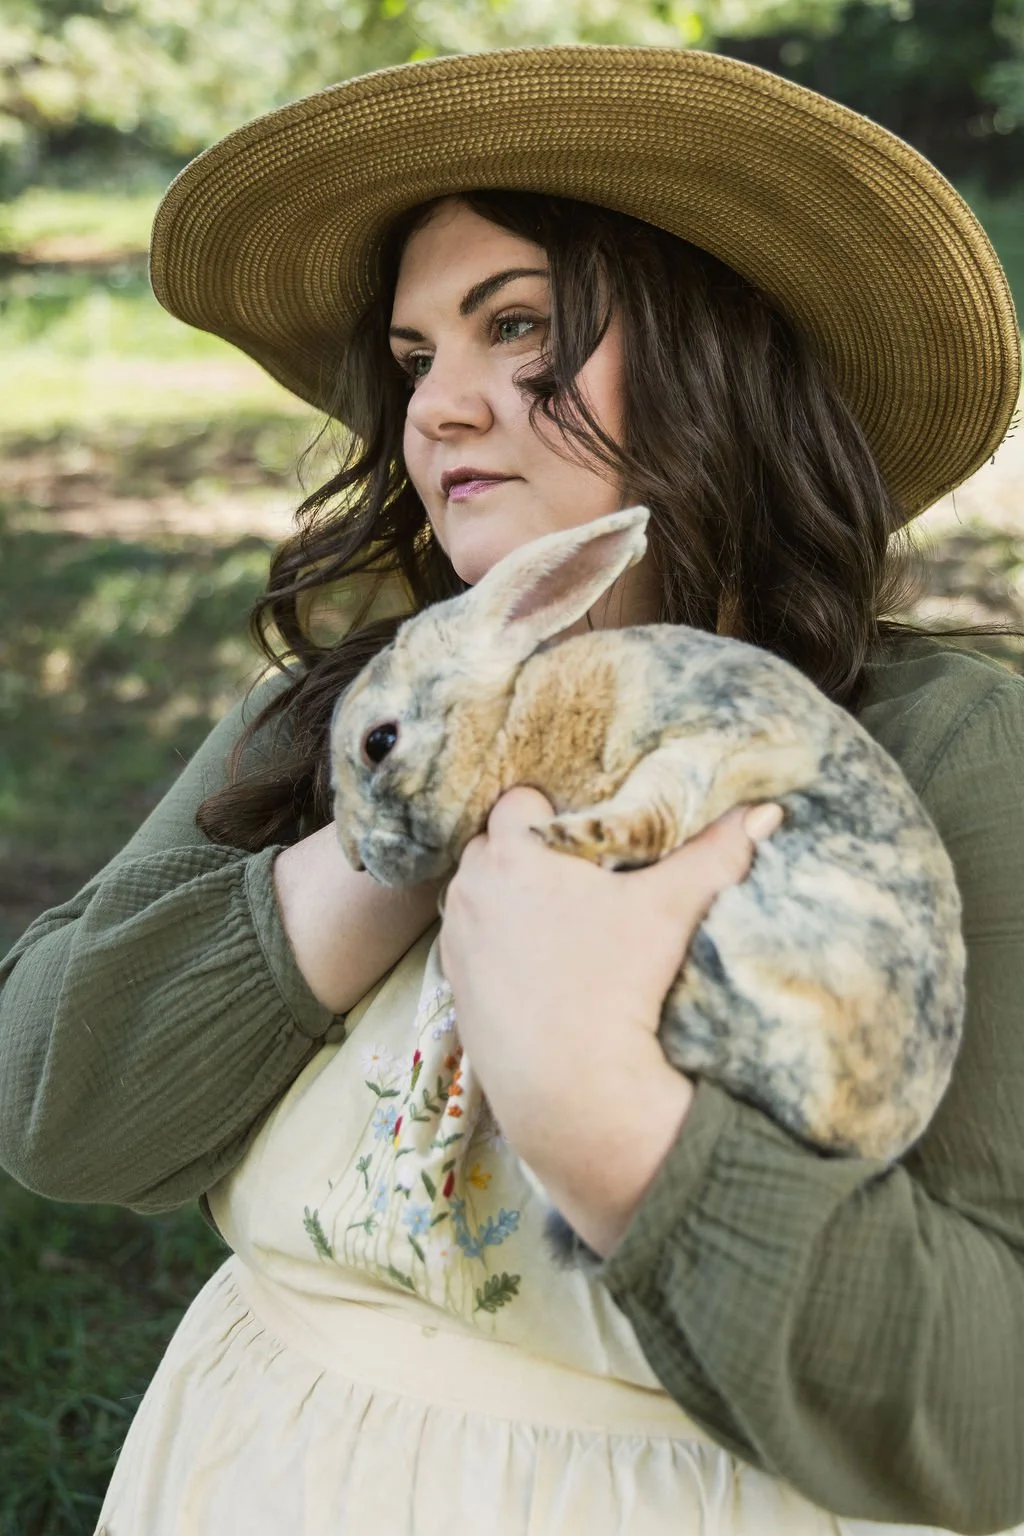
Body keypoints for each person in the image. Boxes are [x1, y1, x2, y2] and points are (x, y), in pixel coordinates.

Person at [1, 42, 1022, 1536]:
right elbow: (55, 1111)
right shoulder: (345, 719)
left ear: (719, 352)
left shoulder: (948, 753)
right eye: (416, 359)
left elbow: (991, 1416)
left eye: (519, 326)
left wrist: (605, 1111)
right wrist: (398, 825)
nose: (438, 410)